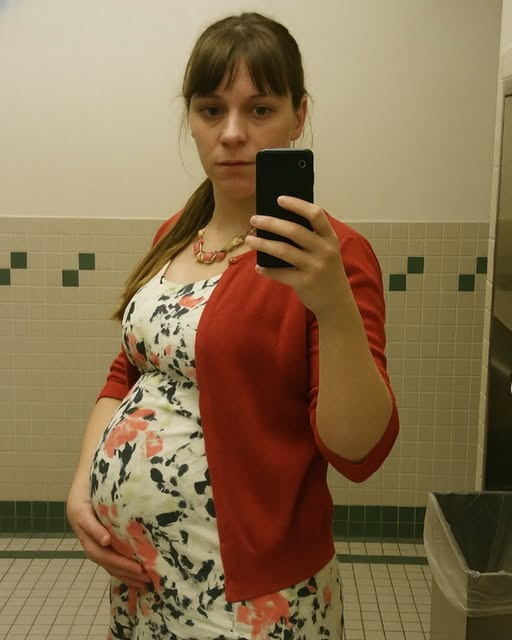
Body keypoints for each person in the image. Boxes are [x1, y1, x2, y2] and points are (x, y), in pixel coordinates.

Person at [67, 11, 399, 640]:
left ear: (299, 115)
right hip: (142, 580)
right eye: (211, 109)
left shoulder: (336, 256)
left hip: (250, 596)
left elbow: (359, 452)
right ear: (190, 117)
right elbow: (127, 373)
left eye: (260, 109)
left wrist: (333, 307)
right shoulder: (175, 234)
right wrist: (84, 486)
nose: (232, 133)